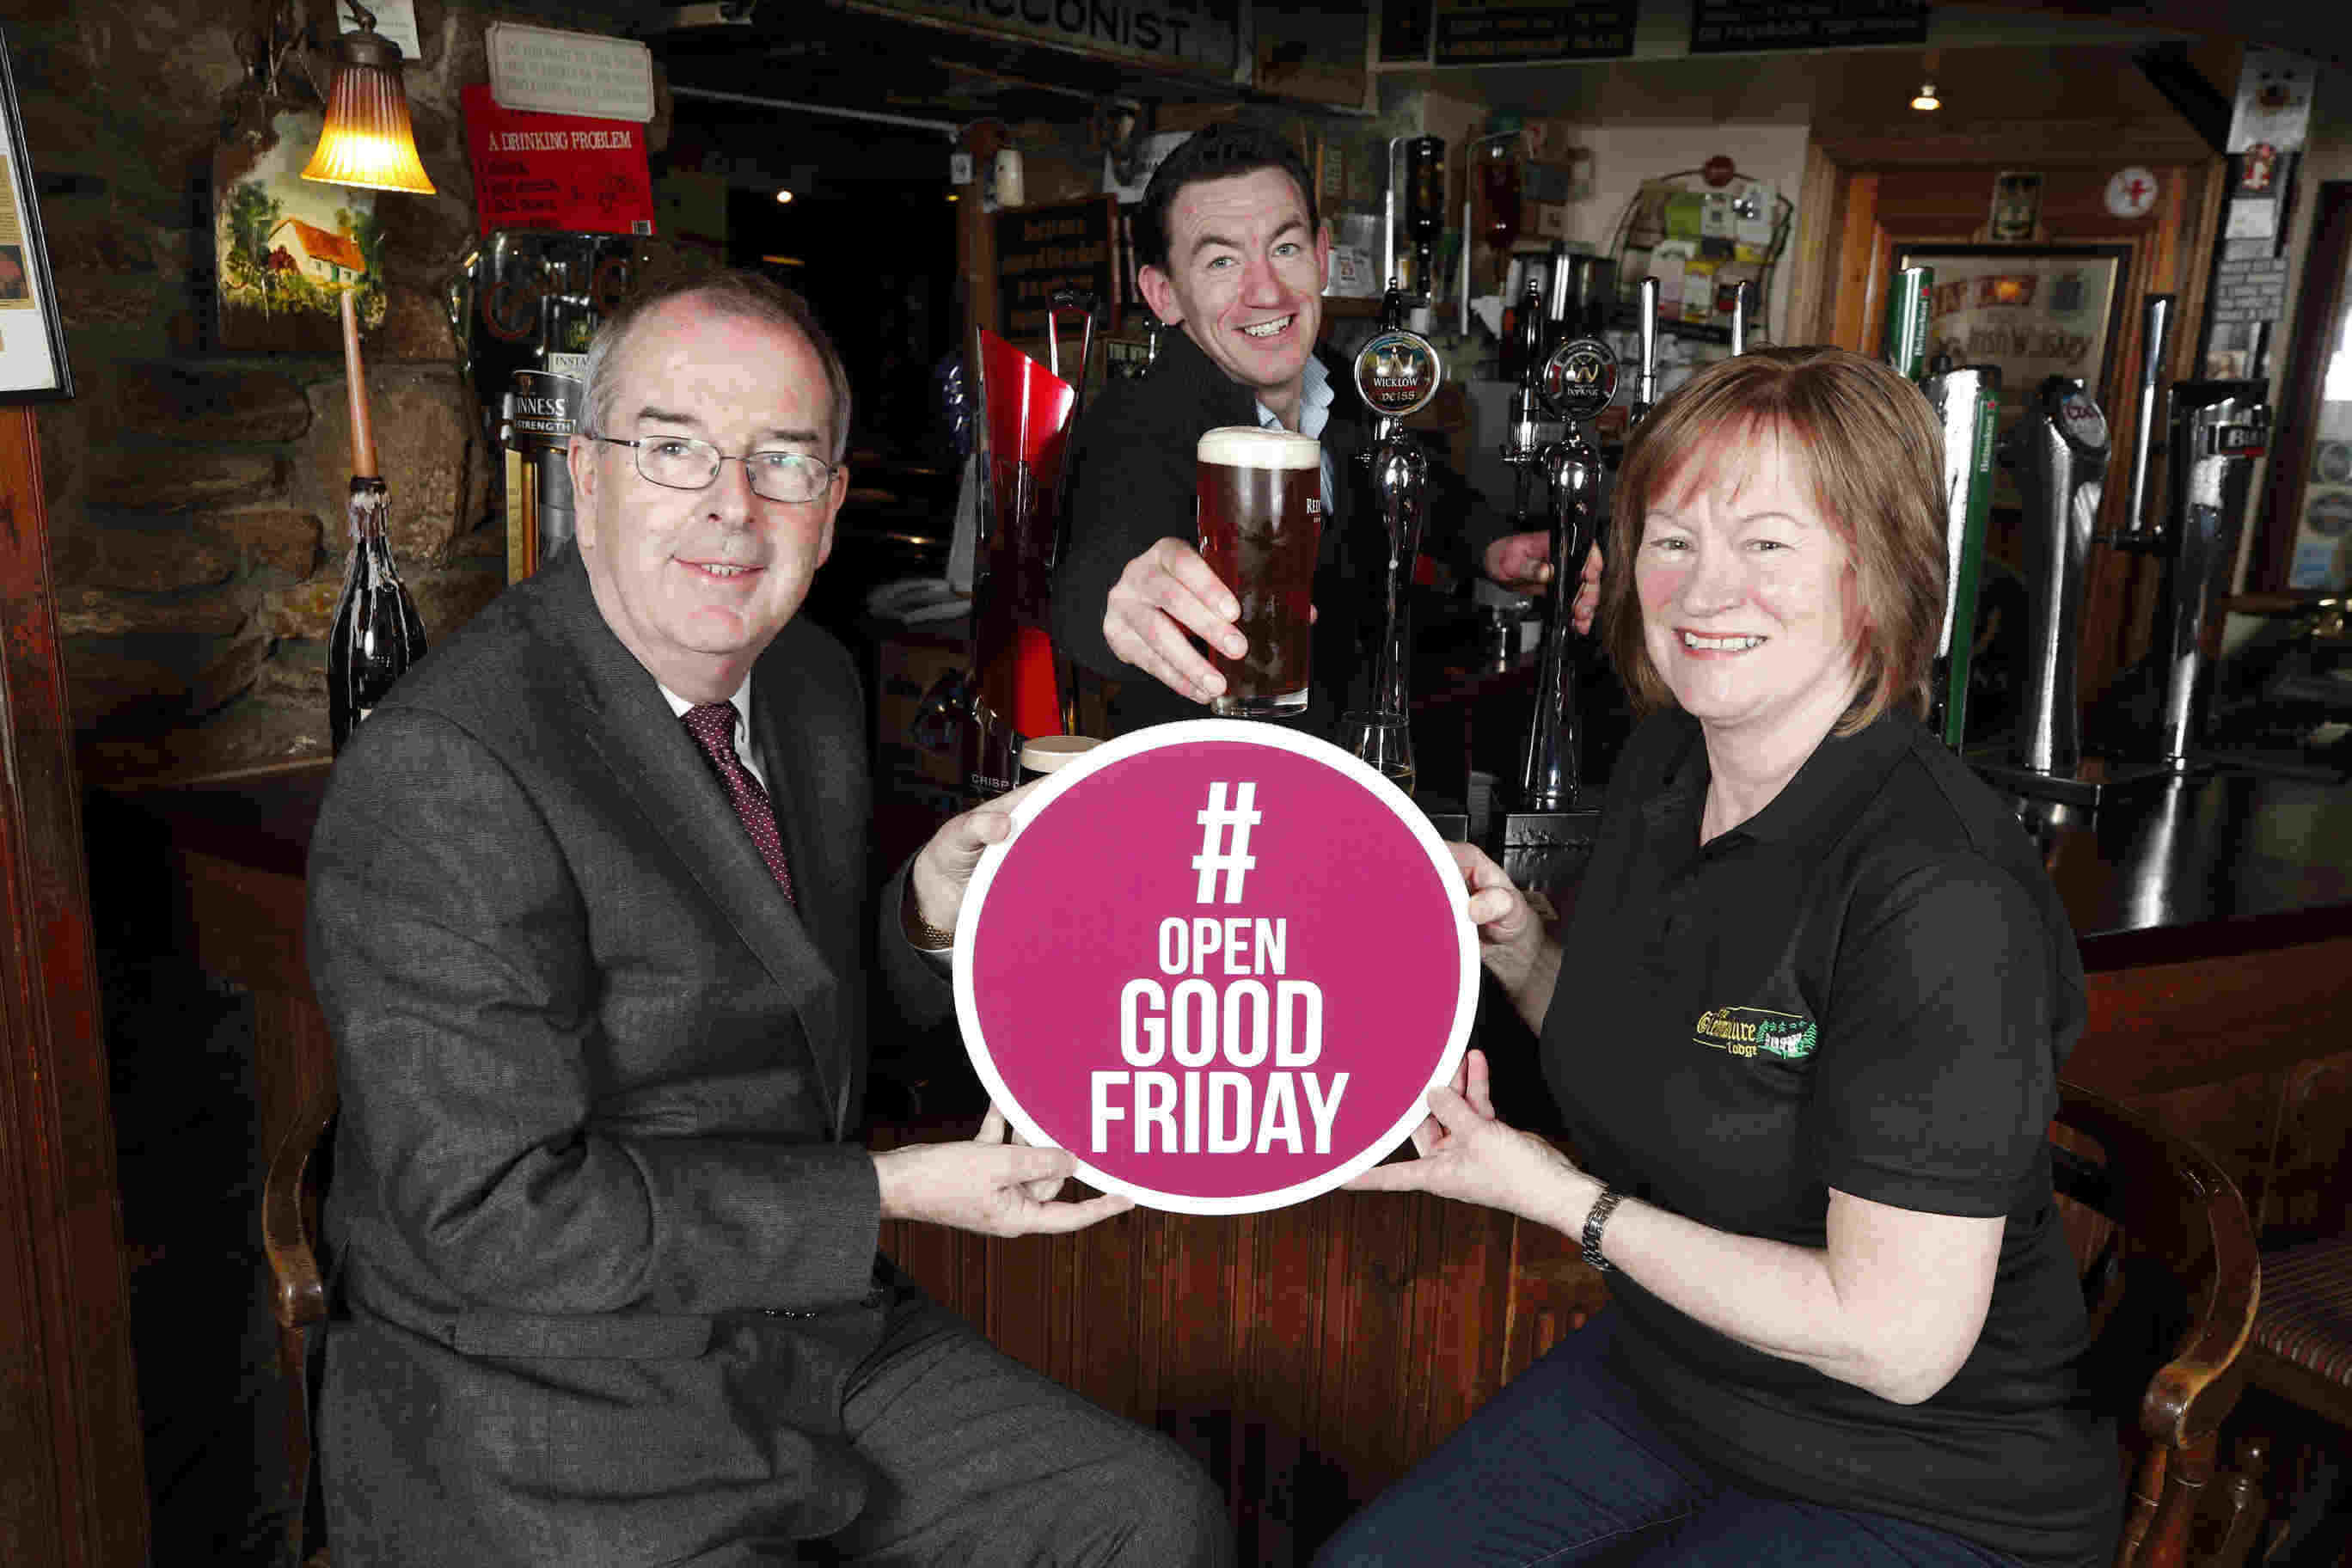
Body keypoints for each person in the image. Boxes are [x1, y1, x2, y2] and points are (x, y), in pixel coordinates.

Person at [307, 272, 1229, 1567]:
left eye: (781, 461)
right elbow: (491, 1220)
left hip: (806, 1337)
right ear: (586, 473)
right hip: (553, 1402)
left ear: (835, 502)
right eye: (675, 449)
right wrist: (890, 1192)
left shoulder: (802, 681)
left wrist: (923, 913)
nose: (731, 509)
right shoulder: (449, 769)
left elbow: (790, 1010)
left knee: (1147, 1517)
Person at [1317, 347, 2122, 1568]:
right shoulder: (1669, 766)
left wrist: (1554, 1199)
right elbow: (1688, 1056)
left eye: (1767, 544)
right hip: (1679, 1385)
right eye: (1672, 538)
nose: (1703, 589)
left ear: (1878, 573)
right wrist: (1524, 947)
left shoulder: (1939, 892)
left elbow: (1898, 1342)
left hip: (1922, 1483)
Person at [1050, 121, 1596, 738]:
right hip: (1219, 798)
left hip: (1350, 773)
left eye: (1284, 249)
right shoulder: (1136, 420)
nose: (1266, 291)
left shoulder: (1337, 382)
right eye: (1223, 261)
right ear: (1163, 294)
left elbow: (1411, 480)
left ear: (1322, 256)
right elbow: (1098, 565)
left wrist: (1495, 546)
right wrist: (1116, 601)